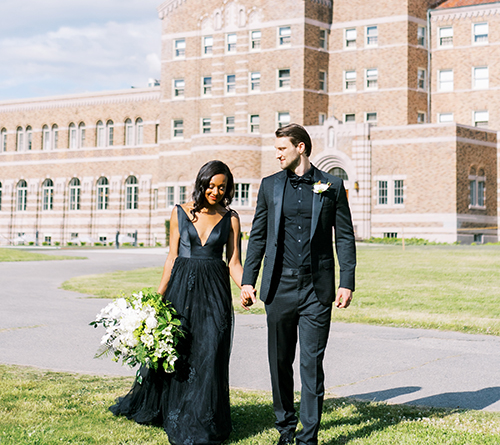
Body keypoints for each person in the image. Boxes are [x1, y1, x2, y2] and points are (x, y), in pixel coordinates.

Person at [110, 160, 244, 445]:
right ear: (201, 183)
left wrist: (245, 286)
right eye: (211, 186)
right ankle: (177, 411)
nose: (216, 192)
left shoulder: (231, 218)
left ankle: (204, 418)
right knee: (181, 351)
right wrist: (158, 296)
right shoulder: (180, 212)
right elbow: (172, 256)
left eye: (222, 187)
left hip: (215, 290)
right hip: (182, 288)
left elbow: (233, 262)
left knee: (212, 349)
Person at [240, 123, 356, 445]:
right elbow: (258, 237)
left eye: (281, 149)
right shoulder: (269, 186)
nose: (276, 154)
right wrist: (248, 281)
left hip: (316, 291)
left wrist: (347, 281)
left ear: (300, 147)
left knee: (310, 364)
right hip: (279, 288)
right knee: (279, 362)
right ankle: (285, 429)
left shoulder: (331, 185)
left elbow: (344, 236)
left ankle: (308, 438)